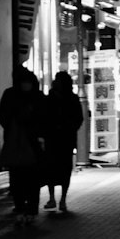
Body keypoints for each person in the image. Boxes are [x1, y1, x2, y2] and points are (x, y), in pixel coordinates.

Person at [0, 66, 47, 226]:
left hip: (25, 144)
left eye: (28, 83)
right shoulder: (32, 97)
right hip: (22, 144)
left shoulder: (12, 95)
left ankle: (28, 208)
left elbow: (3, 115)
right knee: (23, 178)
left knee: (26, 178)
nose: (26, 86)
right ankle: (23, 208)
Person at [43, 70, 84, 212]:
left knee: (60, 169)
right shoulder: (54, 97)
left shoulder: (65, 98)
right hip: (58, 138)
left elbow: (78, 118)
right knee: (55, 169)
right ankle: (56, 199)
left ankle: (60, 199)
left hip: (61, 139)